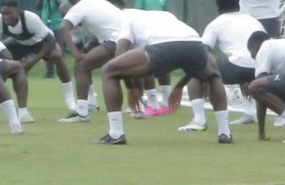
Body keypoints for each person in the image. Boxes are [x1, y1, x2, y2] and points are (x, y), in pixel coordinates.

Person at [99, 10, 231, 145]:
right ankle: (225, 132)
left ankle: (116, 134)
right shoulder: (166, 15)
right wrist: (179, 86)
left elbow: (119, 55)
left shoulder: (128, 19)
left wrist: (131, 87)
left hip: (164, 45)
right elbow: (186, 57)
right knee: (213, 75)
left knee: (108, 70)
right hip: (195, 42)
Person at [178, 0, 266, 132]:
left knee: (195, 71)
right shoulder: (253, 20)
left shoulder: (216, 23)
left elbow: (202, 52)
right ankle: (251, 113)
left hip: (238, 66)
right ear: (238, 5)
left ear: (218, 8)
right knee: (236, 59)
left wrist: (206, 77)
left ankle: (199, 120)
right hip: (261, 66)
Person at [57, 0, 128, 123]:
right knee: (127, 72)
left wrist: (75, 54)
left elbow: (63, 29)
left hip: (115, 40)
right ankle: (144, 105)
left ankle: (82, 112)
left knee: (81, 65)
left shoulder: (79, 7)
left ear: (71, 0)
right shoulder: (97, 0)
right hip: (128, 37)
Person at [0, 0, 74, 115]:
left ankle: (70, 99)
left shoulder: (31, 18)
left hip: (40, 42)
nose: (6, 17)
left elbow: (50, 40)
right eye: (4, 14)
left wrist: (32, 62)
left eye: (10, 13)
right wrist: (6, 61)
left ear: (18, 11)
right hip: (18, 43)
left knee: (57, 55)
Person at [35, 0, 69, 79]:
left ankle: (62, 72)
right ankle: (49, 72)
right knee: (48, 48)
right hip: (46, 25)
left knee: (60, 48)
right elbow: (37, 7)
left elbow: (64, 6)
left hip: (57, 24)